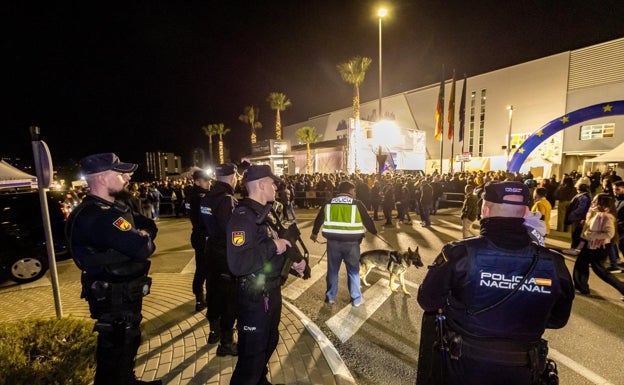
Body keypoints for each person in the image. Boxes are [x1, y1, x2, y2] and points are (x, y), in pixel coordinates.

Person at [416, 181, 574, 385]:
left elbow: (428, 301)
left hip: (464, 364)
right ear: (526, 212)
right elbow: (558, 319)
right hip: (523, 368)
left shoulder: (460, 253)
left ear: (484, 209)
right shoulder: (554, 263)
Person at [65, 153, 161, 385]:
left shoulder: (116, 207)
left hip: (124, 292)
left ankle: (128, 380)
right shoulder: (97, 216)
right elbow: (141, 248)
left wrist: (143, 234)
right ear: (101, 178)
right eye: (120, 173)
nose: (127, 178)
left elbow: (147, 225)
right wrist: (142, 238)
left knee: (126, 346)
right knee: (117, 350)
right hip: (113, 297)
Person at [226, 165, 307, 385]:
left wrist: (295, 263)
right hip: (254, 297)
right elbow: (238, 263)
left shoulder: (266, 212)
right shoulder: (242, 217)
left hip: (271, 290)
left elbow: (278, 242)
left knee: (270, 342)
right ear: (261, 185)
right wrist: (274, 246)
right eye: (273, 183)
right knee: (251, 355)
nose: (276, 187)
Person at [310, 180, 377, 306]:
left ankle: (330, 297)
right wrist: (374, 231)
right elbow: (367, 220)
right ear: (350, 191)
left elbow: (319, 218)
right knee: (353, 271)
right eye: (354, 191)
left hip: (333, 244)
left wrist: (314, 233)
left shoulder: (329, 203)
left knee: (333, 271)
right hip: (352, 244)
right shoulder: (356, 203)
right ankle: (356, 299)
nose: (355, 193)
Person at [201, 163, 239, 356]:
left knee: (214, 292)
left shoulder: (207, 196)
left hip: (211, 251)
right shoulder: (226, 200)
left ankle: (214, 331)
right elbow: (230, 231)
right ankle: (226, 342)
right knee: (229, 299)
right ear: (233, 177)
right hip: (225, 254)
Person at [571, 193, 624, 300]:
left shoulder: (605, 216)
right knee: (581, 264)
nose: (593, 203)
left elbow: (610, 233)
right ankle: (581, 287)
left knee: (599, 269)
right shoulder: (596, 213)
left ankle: (622, 288)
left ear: (602, 204)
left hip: (600, 246)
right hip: (591, 244)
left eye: (595, 201)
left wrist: (592, 235)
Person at [188, 169, 211, 312]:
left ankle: (199, 298)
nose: (209, 183)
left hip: (197, 236)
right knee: (207, 270)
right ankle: (203, 298)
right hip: (205, 237)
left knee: (201, 269)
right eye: (206, 181)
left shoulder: (190, 195)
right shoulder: (201, 197)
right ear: (197, 182)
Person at [562, 183, 592, 254]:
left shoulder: (583, 197)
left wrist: (571, 215)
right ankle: (576, 248)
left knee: (576, 234)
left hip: (578, 219)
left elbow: (581, 209)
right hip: (579, 218)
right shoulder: (586, 195)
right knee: (578, 234)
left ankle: (575, 249)